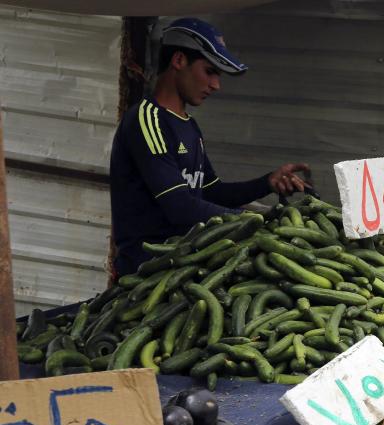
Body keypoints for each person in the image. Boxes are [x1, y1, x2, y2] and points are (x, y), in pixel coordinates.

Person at [110, 17, 309, 276]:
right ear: (178, 60)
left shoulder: (189, 126)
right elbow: (180, 206)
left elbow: (210, 191)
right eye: (210, 71)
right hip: (146, 273)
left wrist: (266, 183)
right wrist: (253, 221)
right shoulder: (147, 120)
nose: (216, 85)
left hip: (186, 266)